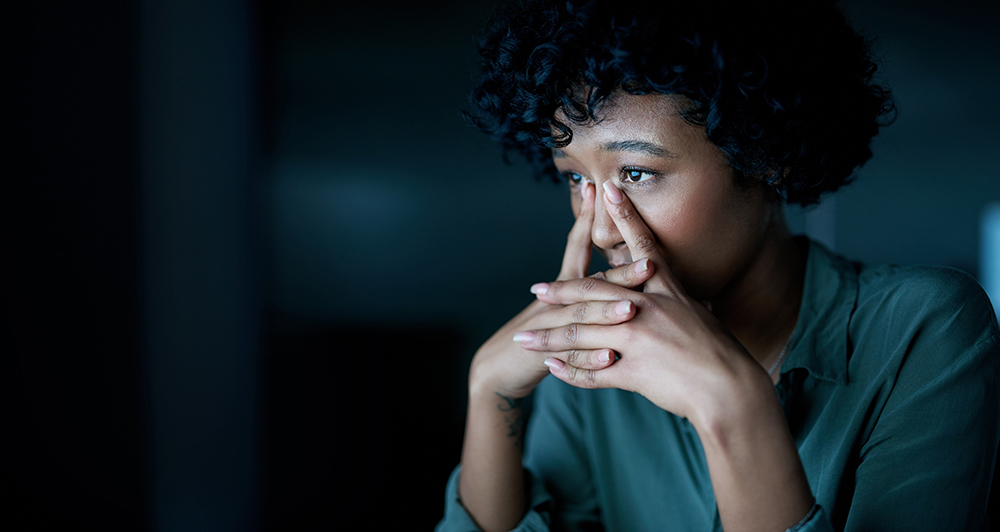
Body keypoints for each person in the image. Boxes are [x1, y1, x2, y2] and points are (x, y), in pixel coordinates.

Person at [437, 0, 1000, 530]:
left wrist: (733, 404)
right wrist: (490, 390)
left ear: (767, 157)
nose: (603, 228)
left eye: (636, 173)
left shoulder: (923, 328)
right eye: (577, 178)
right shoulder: (587, 358)